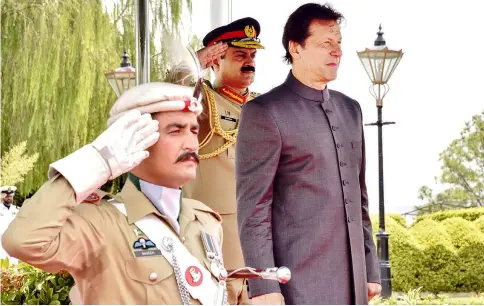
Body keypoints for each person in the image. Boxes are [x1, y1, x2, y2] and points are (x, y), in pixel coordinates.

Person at [2, 82, 230, 305]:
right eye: (175, 131)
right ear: (136, 141)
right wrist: (98, 161)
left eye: (193, 131)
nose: (191, 143)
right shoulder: (98, 222)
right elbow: (22, 242)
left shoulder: (206, 220)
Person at [235, 3, 381, 305]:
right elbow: (253, 209)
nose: (336, 52)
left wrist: (370, 268)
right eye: (325, 44)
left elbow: (360, 199)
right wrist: (264, 284)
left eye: (338, 43)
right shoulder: (264, 112)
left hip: (354, 286)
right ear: (295, 48)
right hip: (296, 285)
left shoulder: (351, 110)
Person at [182, 17, 264, 305]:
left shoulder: (263, 106)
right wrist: (194, 62)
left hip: (258, 237)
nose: (249, 62)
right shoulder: (202, 100)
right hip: (213, 238)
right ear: (216, 62)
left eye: (252, 55)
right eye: (240, 55)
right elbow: (166, 97)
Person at [0, 186, 19, 264]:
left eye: (10, 196)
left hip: (13, 242)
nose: (9, 198)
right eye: (7, 196)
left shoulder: (17, 210)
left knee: (14, 265)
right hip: (1, 242)